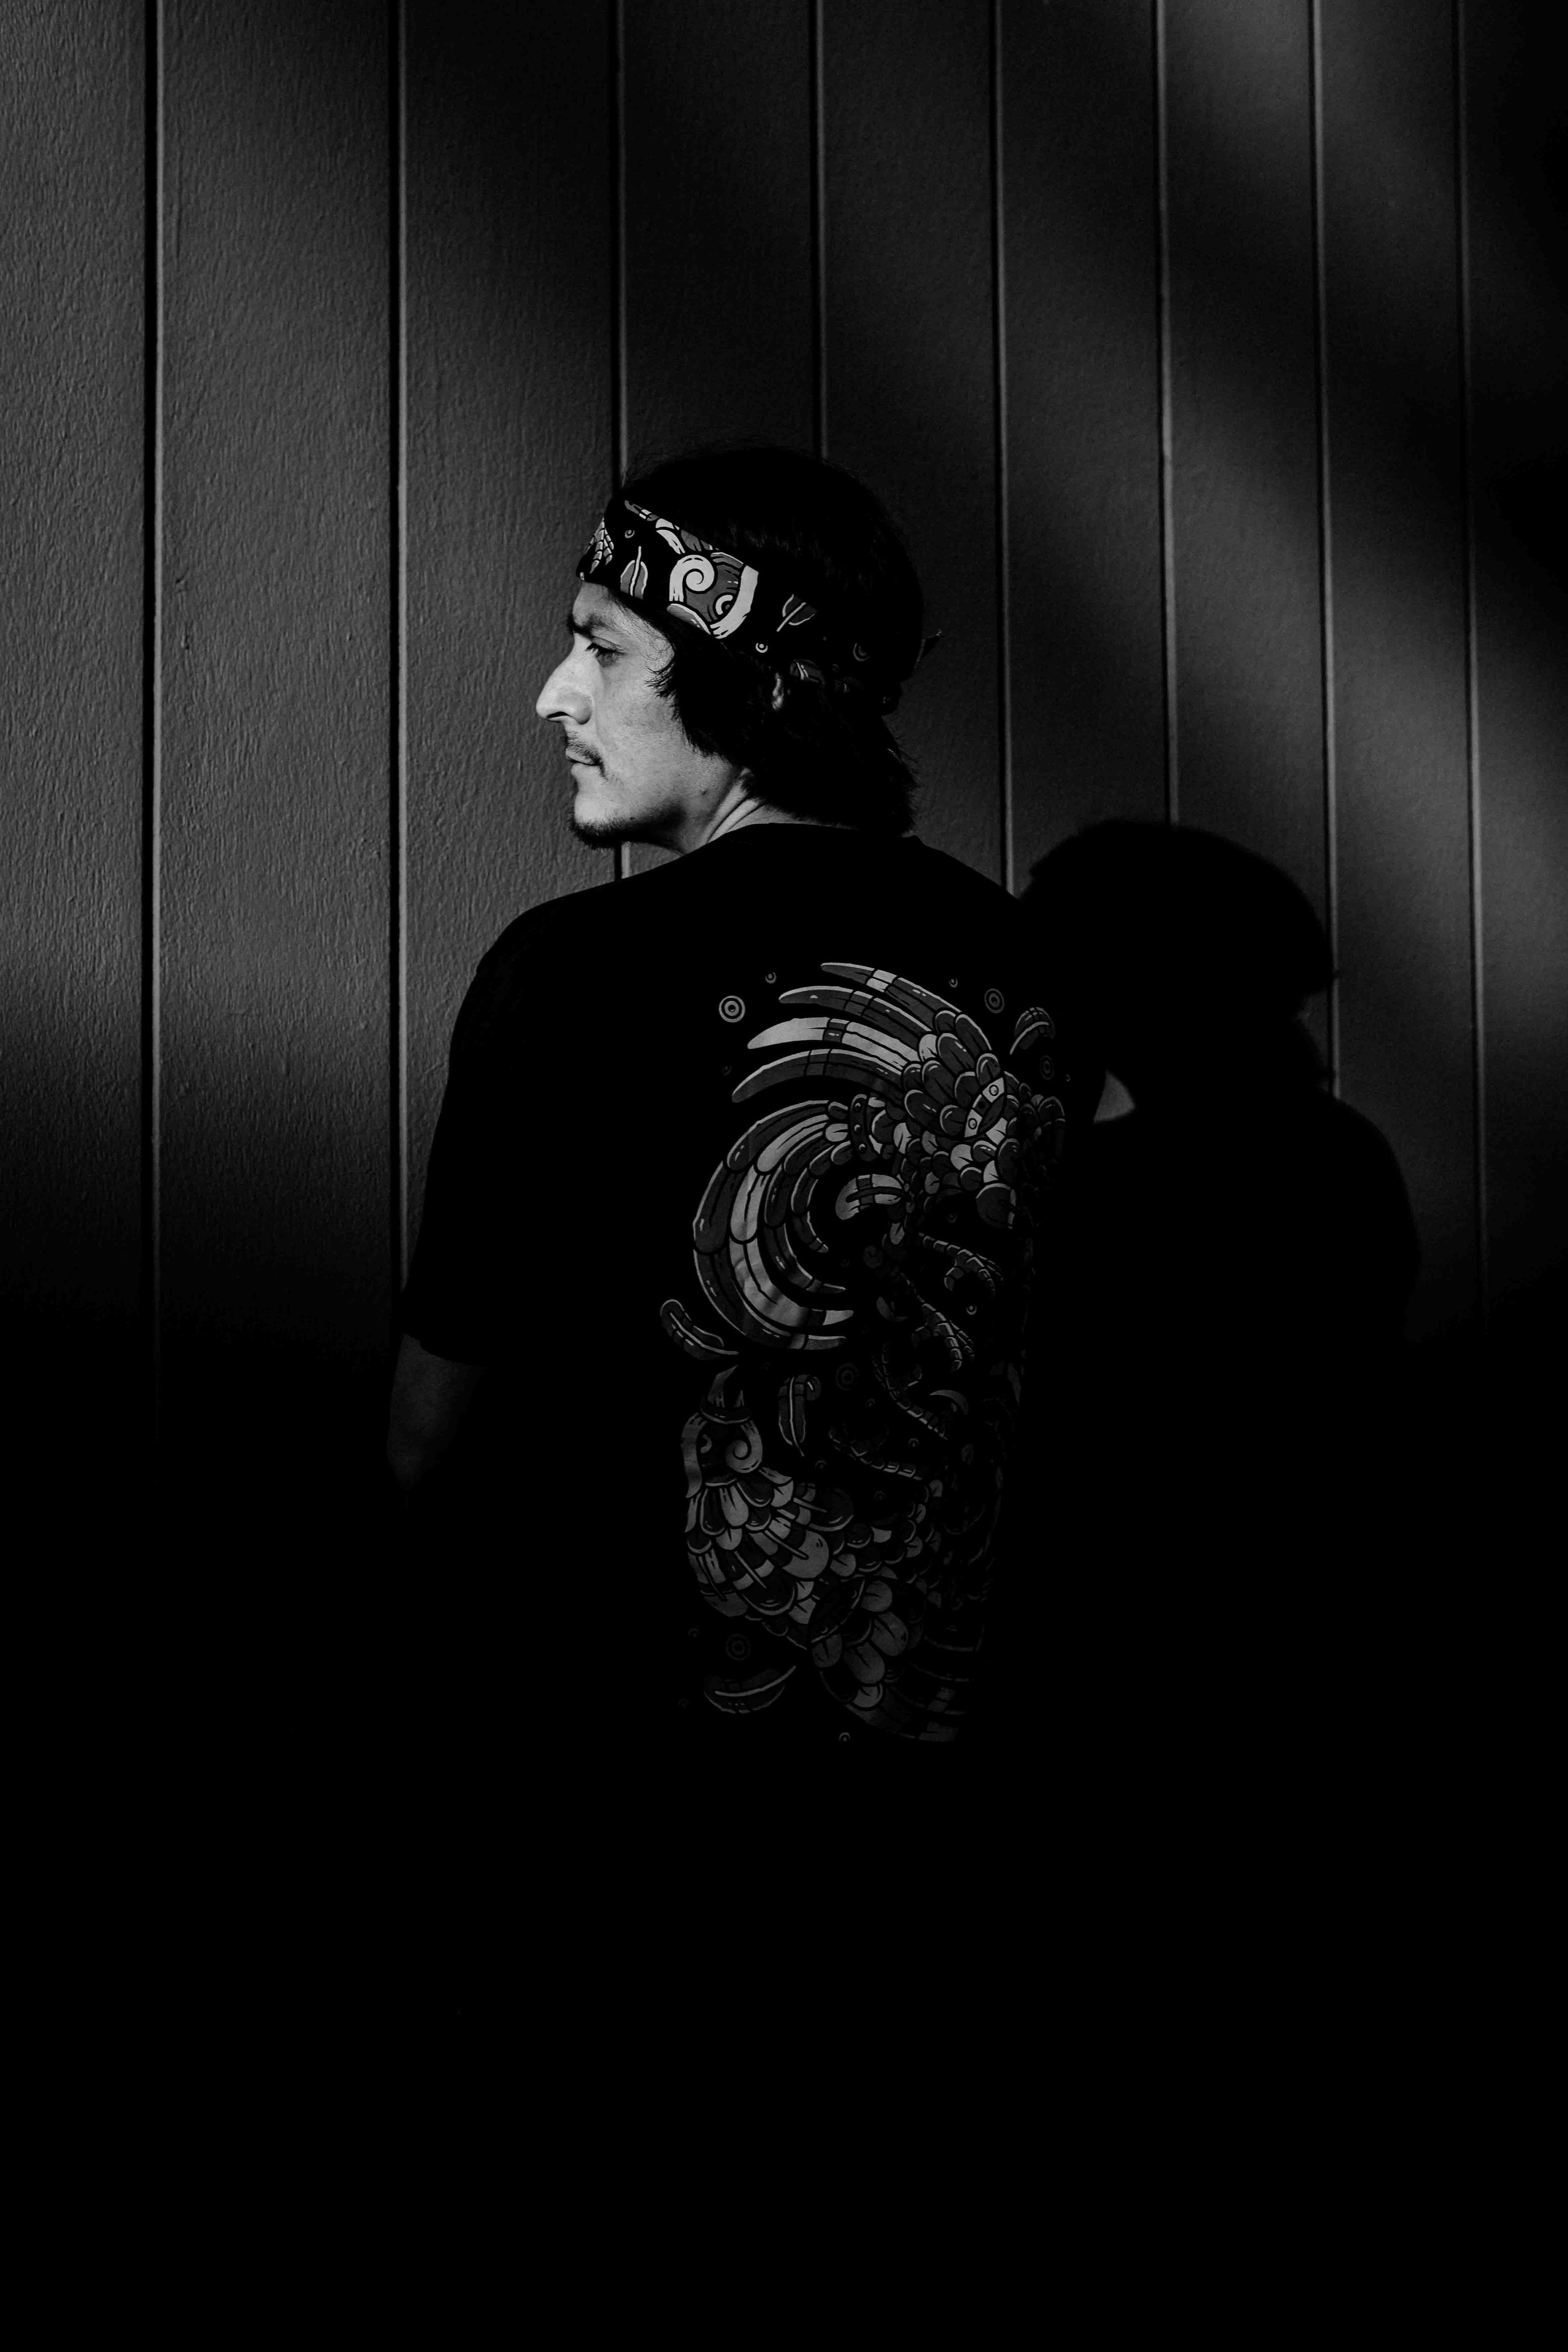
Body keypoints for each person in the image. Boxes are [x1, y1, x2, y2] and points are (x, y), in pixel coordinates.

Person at [384, 446, 1094, 1761]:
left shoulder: (570, 970)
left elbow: (429, 1435)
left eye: (602, 648)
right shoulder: (1032, 970)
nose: (555, 694)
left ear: (752, 678)